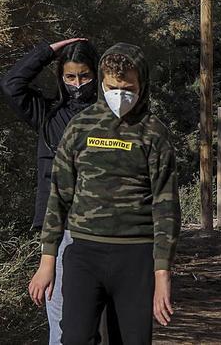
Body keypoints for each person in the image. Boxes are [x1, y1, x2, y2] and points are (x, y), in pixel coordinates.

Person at [29, 43, 180, 344]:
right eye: (112, 86)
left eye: (128, 87)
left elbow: (166, 209)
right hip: (84, 252)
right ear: (101, 83)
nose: (119, 94)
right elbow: (58, 196)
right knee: (74, 337)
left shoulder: (154, 133)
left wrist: (162, 274)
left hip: (135, 256)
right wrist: (47, 261)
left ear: (142, 85)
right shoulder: (79, 127)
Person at [2, 38, 112, 345]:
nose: (78, 84)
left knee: (103, 322)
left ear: (98, 75)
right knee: (62, 317)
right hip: (60, 229)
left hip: (105, 227)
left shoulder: (111, 116)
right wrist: (49, 51)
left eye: (85, 76)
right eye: (70, 77)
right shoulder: (47, 114)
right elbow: (11, 83)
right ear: (61, 77)